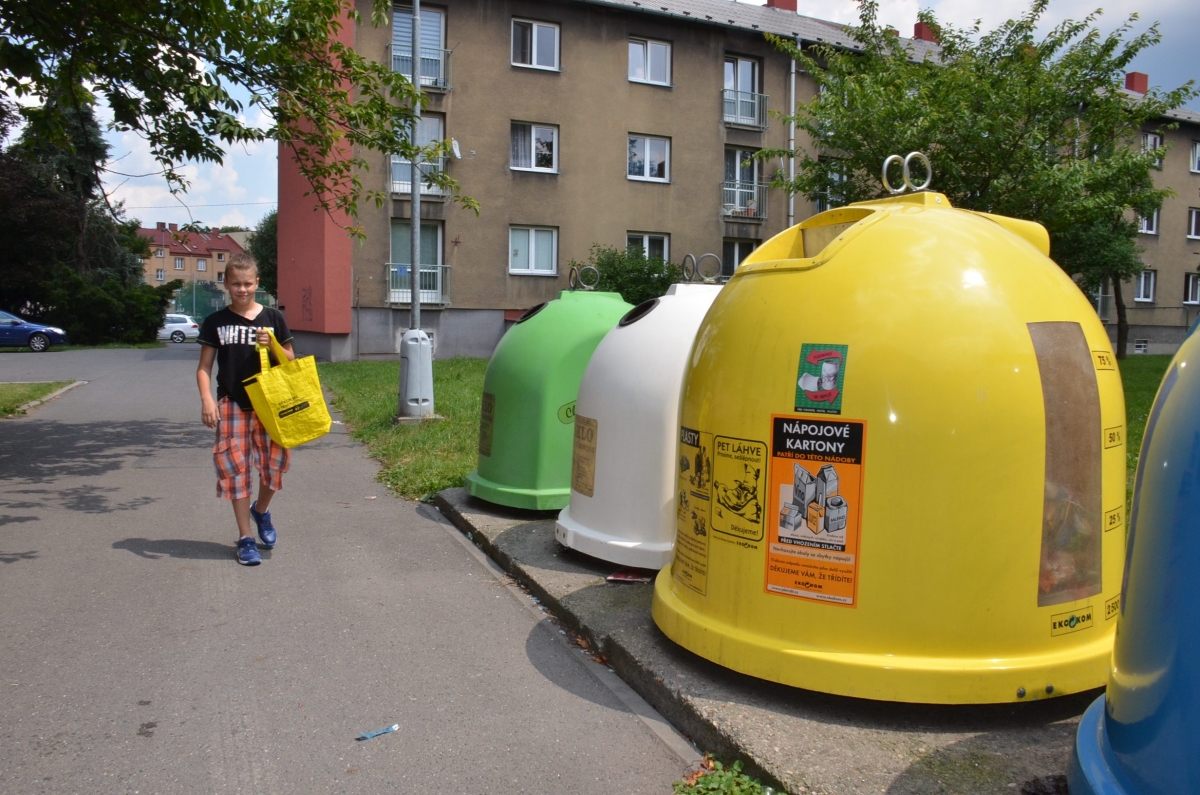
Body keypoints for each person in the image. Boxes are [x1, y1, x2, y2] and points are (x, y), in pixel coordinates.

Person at [196, 253, 295, 565]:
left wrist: (274, 346)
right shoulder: (216, 322)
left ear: (257, 283)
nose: (242, 289)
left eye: (248, 284)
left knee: (274, 466)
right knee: (235, 472)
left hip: (271, 404)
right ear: (226, 284)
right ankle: (245, 537)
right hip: (232, 403)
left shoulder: (273, 318)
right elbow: (204, 367)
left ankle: (261, 511)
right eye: (236, 284)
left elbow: (291, 361)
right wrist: (208, 400)